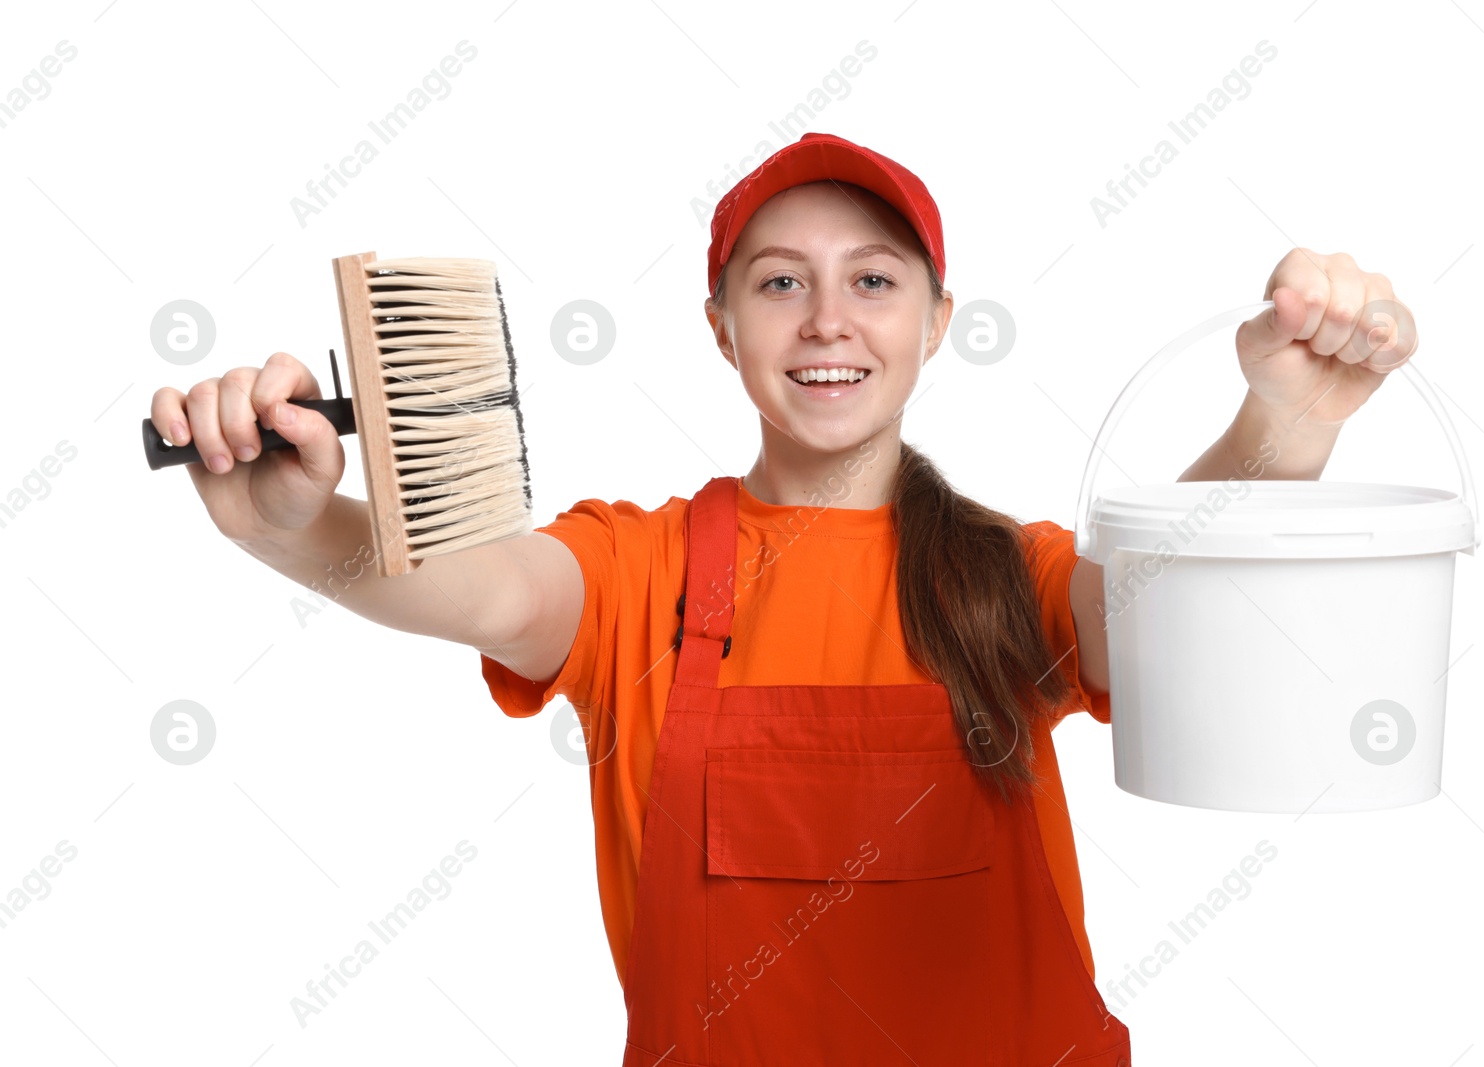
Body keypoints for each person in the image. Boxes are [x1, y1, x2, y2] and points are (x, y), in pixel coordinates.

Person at [150, 131, 1418, 1065]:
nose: (828, 320)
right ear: (719, 324)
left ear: (935, 321)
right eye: (778, 282)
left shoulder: (1006, 579)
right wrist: (303, 524)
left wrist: (1280, 421)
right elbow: (477, 580)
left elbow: (1170, 607)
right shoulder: (639, 572)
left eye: (874, 280)